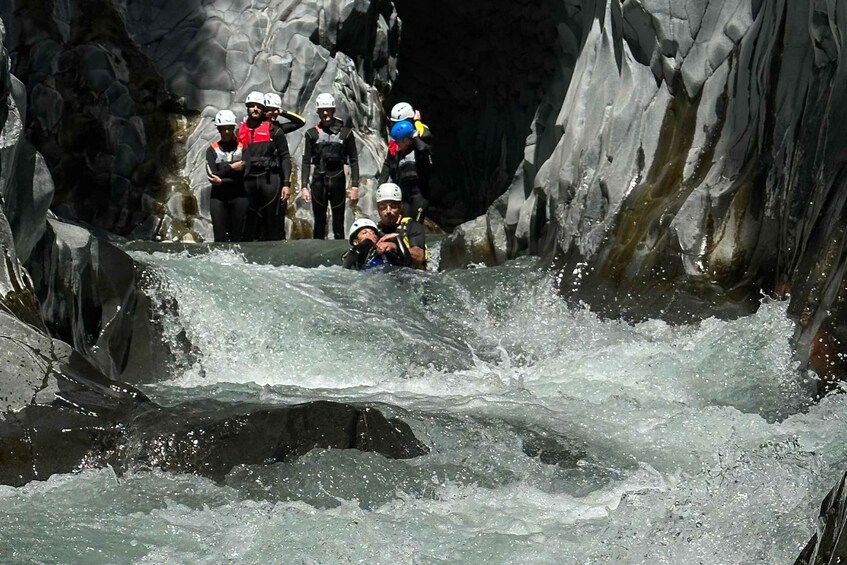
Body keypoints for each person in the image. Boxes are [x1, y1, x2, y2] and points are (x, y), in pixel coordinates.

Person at [300, 92, 359, 240]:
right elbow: (306, 161)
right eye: (322, 110)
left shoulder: (346, 133)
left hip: (338, 180)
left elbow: (353, 160)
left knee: (338, 223)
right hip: (318, 181)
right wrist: (304, 186)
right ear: (318, 112)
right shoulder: (311, 134)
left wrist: (354, 186)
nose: (325, 113)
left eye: (328, 110)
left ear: (333, 110)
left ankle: (340, 257)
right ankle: (317, 257)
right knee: (319, 222)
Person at [237, 90, 292, 241]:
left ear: (263, 109)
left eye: (258, 106)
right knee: (249, 223)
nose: (255, 109)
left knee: (271, 222)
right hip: (248, 181)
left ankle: (274, 259)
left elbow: (285, 157)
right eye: (252, 106)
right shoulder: (239, 131)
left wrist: (286, 184)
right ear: (247, 108)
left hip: (270, 179)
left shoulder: (275, 130)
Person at [206, 109, 248, 242]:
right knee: (220, 237)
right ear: (219, 129)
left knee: (237, 237)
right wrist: (231, 168)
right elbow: (213, 175)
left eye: (230, 128)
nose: (227, 132)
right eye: (224, 129)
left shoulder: (243, 148)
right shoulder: (212, 149)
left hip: (239, 196)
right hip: (219, 198)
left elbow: (244, 175)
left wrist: (222, 180)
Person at [379, 120, 431, 222]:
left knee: (415, 226)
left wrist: (414, 136)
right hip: (405, 196)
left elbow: (423, 149)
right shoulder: (398, 151)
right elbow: (388, 164)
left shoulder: (419, 150)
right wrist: (380, 184)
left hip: (419, 197)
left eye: (399, 141)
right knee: (404, 226)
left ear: (408, 140)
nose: (396, 144)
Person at [374, 182, 428, 269]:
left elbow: (419, 256)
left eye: (393, 206)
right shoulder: (375, 230)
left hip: (413, 277)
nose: (388, 211)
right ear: (378, 208)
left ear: (400, 207)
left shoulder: (413, 226)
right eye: (383, 207)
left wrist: (394, 247)